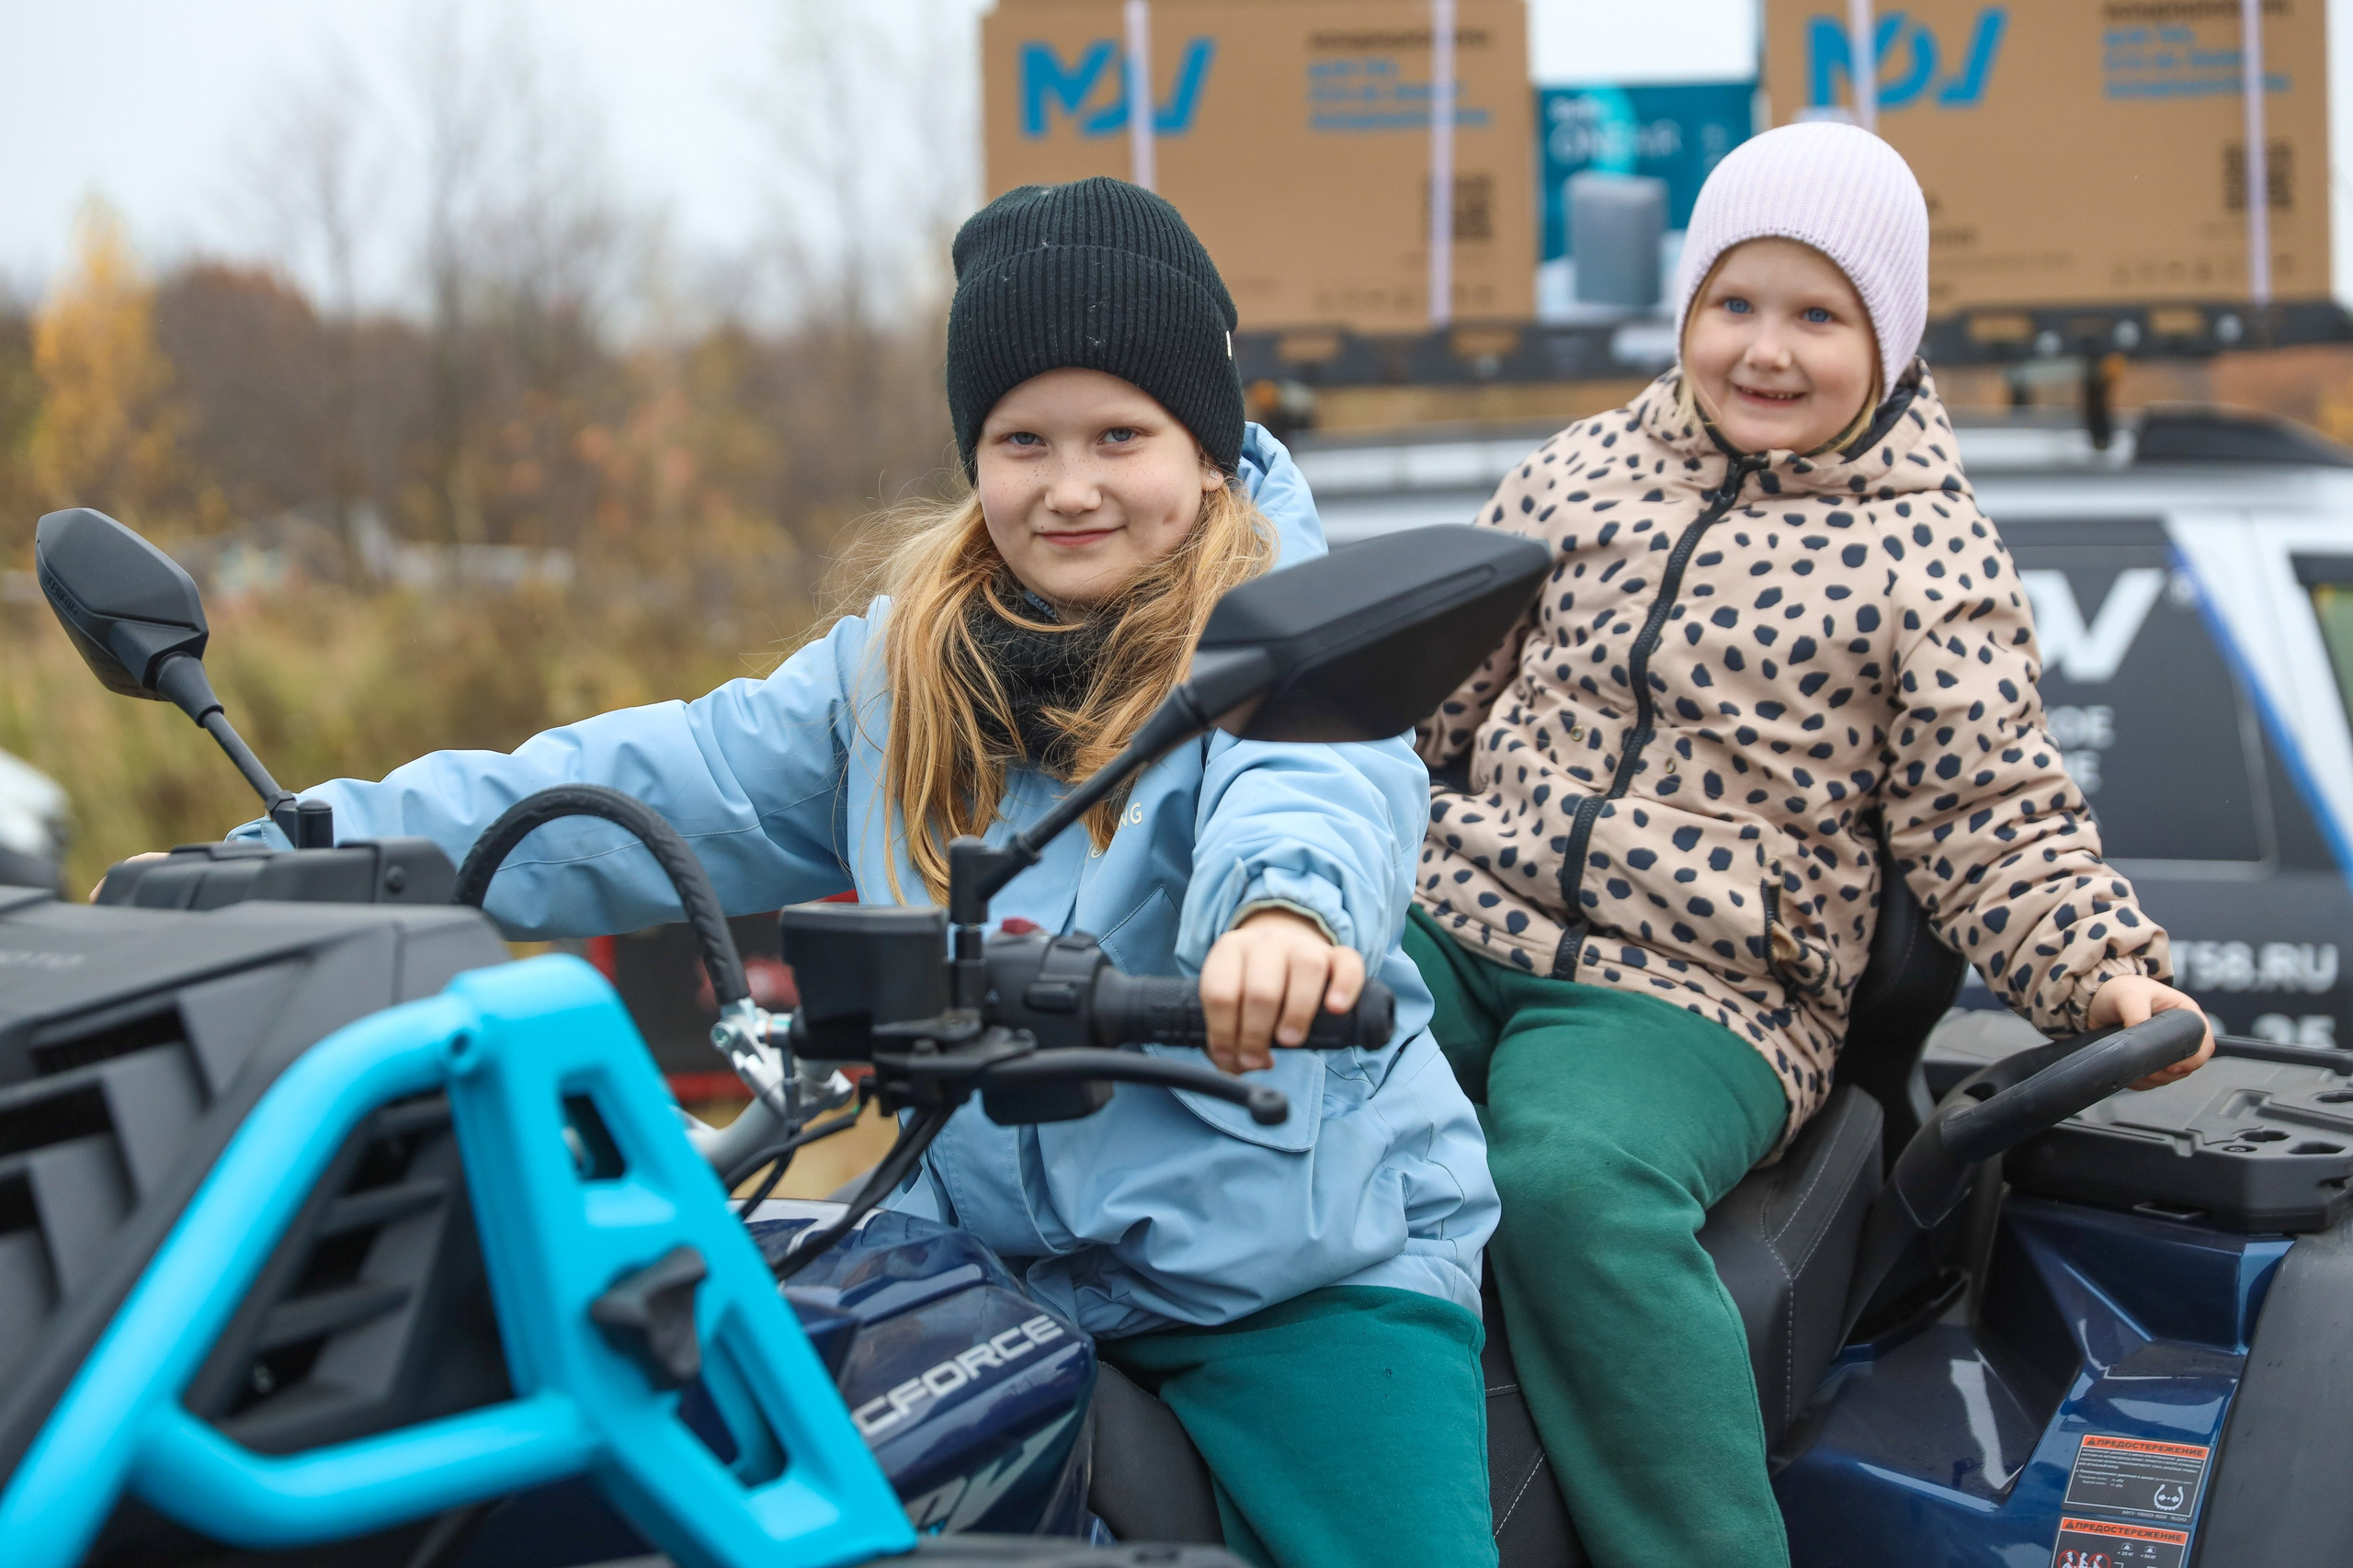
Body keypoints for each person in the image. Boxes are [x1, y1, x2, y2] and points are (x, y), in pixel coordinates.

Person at [219, 178, 1499, 1568]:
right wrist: (317, 857)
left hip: (1295, 1267)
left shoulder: (1272, 641)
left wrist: (1285, 915)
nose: (1068, 486)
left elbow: (1319, 777)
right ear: (976, 457)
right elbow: (649, 785)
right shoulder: (896, 677)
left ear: (1206, 448)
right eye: (1023, 440)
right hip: (993, 1255)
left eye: (1118, 434)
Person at [1405, 122, 2212, 1568]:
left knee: (1567, 1183)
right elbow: (1426, 696)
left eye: (1818, 314)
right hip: (1463, 912)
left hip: (1687, 992)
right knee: (1248, 1064)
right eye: (1735, 303)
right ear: (1687, 310)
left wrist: (2101, 966)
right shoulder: (1577, 473)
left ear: (1890, 340)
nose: (1766, 350)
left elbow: (1988, 807)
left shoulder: (1931, 551)